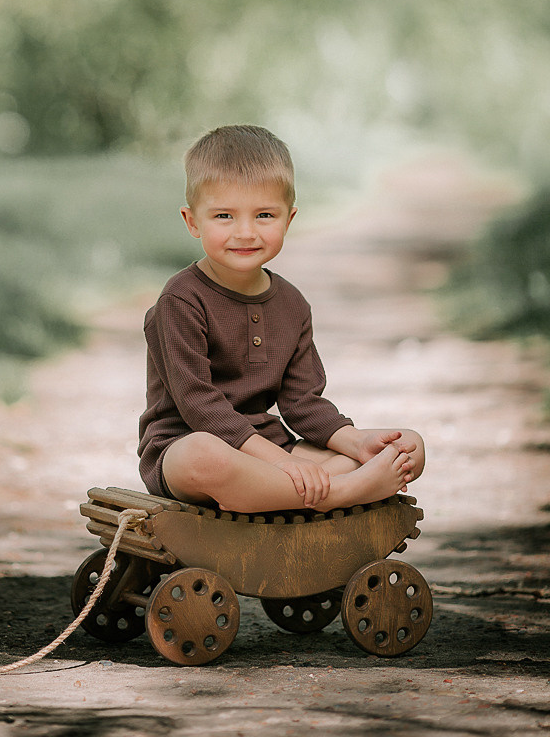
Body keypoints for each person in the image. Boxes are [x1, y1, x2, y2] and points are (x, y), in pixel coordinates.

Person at [138, 124, 425, 512]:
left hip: (273, 451)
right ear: (193, 222)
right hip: (187, 447)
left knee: (408, 446)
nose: (245, 232)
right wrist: (284, 463)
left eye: (264, 215)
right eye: (224, 215)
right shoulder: (181, 300)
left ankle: (287, 491)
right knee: (204, 456)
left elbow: (302, 403)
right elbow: (199, 406)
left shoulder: (291, 304)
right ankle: (340, 493)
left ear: (288, 220)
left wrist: (357, 442)